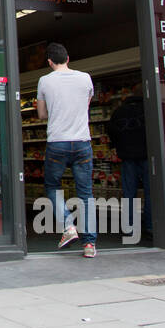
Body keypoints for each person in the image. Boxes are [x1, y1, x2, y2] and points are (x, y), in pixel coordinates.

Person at [35, 42, 97, 257]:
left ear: (49, 62)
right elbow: (85, 106)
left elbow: (41, 115)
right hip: (82, 141)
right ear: (68, 58)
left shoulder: (44, 81)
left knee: (52, 186)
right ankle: (89, 245)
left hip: (57, 142)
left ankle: (68, 225)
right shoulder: (86, 78)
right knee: (86, 193)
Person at [107, 95, 153, 242]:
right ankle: (151, 226)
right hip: (146, 155)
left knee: (129, 193)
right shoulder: (147, 109)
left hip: (127, 157)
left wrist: (118, 146)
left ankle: (129, 227)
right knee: (151, 192)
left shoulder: (118, 112)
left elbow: (111, 131)